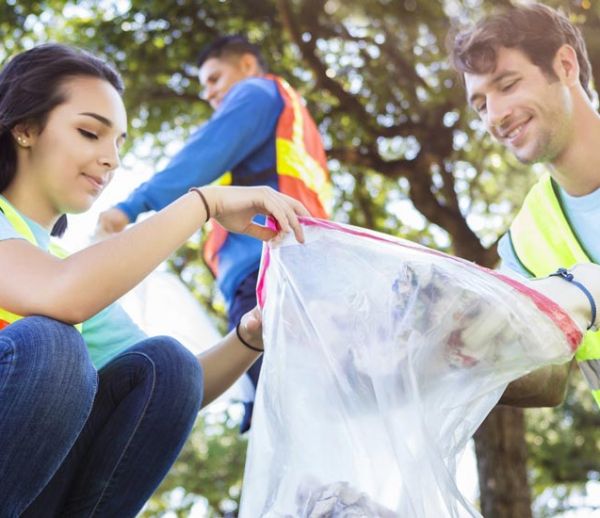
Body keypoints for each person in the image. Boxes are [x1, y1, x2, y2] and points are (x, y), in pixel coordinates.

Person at [0, 43, 307, 517]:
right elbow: (58, 293)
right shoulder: (59, 281)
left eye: (118, 143)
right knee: (53, 344)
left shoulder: (64, 266)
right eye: (90, 132)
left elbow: (173, 391)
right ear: (24, 128)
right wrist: (204, 204)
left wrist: (251, 336)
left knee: (169, 364)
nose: (111, 159)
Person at [97, 35, 332, 431]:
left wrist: (129, 207)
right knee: (299, 408)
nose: (209, 93)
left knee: (284, 415)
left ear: (245, 64)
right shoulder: (292, 118)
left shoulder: (256, 93)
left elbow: (202, 156)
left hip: (264, 273)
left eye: (214, 78)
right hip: (297, 270)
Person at [448, 3, 600, 408]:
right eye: (480, 105)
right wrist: (455, 353)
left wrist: (587, 290)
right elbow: (548, 380)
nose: (494, 116)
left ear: (566, 66)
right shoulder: (525, 244)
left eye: (508, 84)